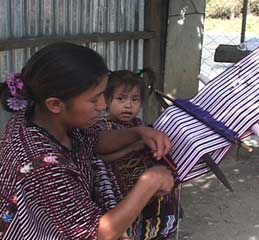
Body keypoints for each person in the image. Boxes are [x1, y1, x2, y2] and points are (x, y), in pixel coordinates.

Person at [0, 42, 174, 240]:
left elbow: (96, 141)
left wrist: (138, 133)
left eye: (103, 95)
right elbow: (99, 233)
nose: (102, 105)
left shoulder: (46, 118)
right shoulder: (42, 164)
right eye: (94, 100)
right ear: (55, 104)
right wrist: (150, 182)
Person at [92, 70, 180, 240]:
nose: (128, 105)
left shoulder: (144, 126)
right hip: (118, 195)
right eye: (121, 99)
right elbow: (100, 159)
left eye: (135, 99)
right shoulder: (101, 128)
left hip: (148, 197)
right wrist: (131, 148)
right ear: (106, 100)